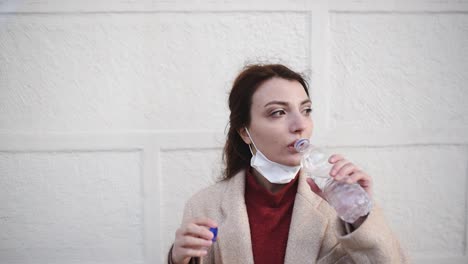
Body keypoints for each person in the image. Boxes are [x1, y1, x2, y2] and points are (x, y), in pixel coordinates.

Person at [167, 64, 407, 264]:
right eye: (278, 112)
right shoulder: (204, 206)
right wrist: (177, 260)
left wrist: (361, 218)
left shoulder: (337, 205)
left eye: (306, 110)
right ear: (245, 132)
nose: (299, 125)